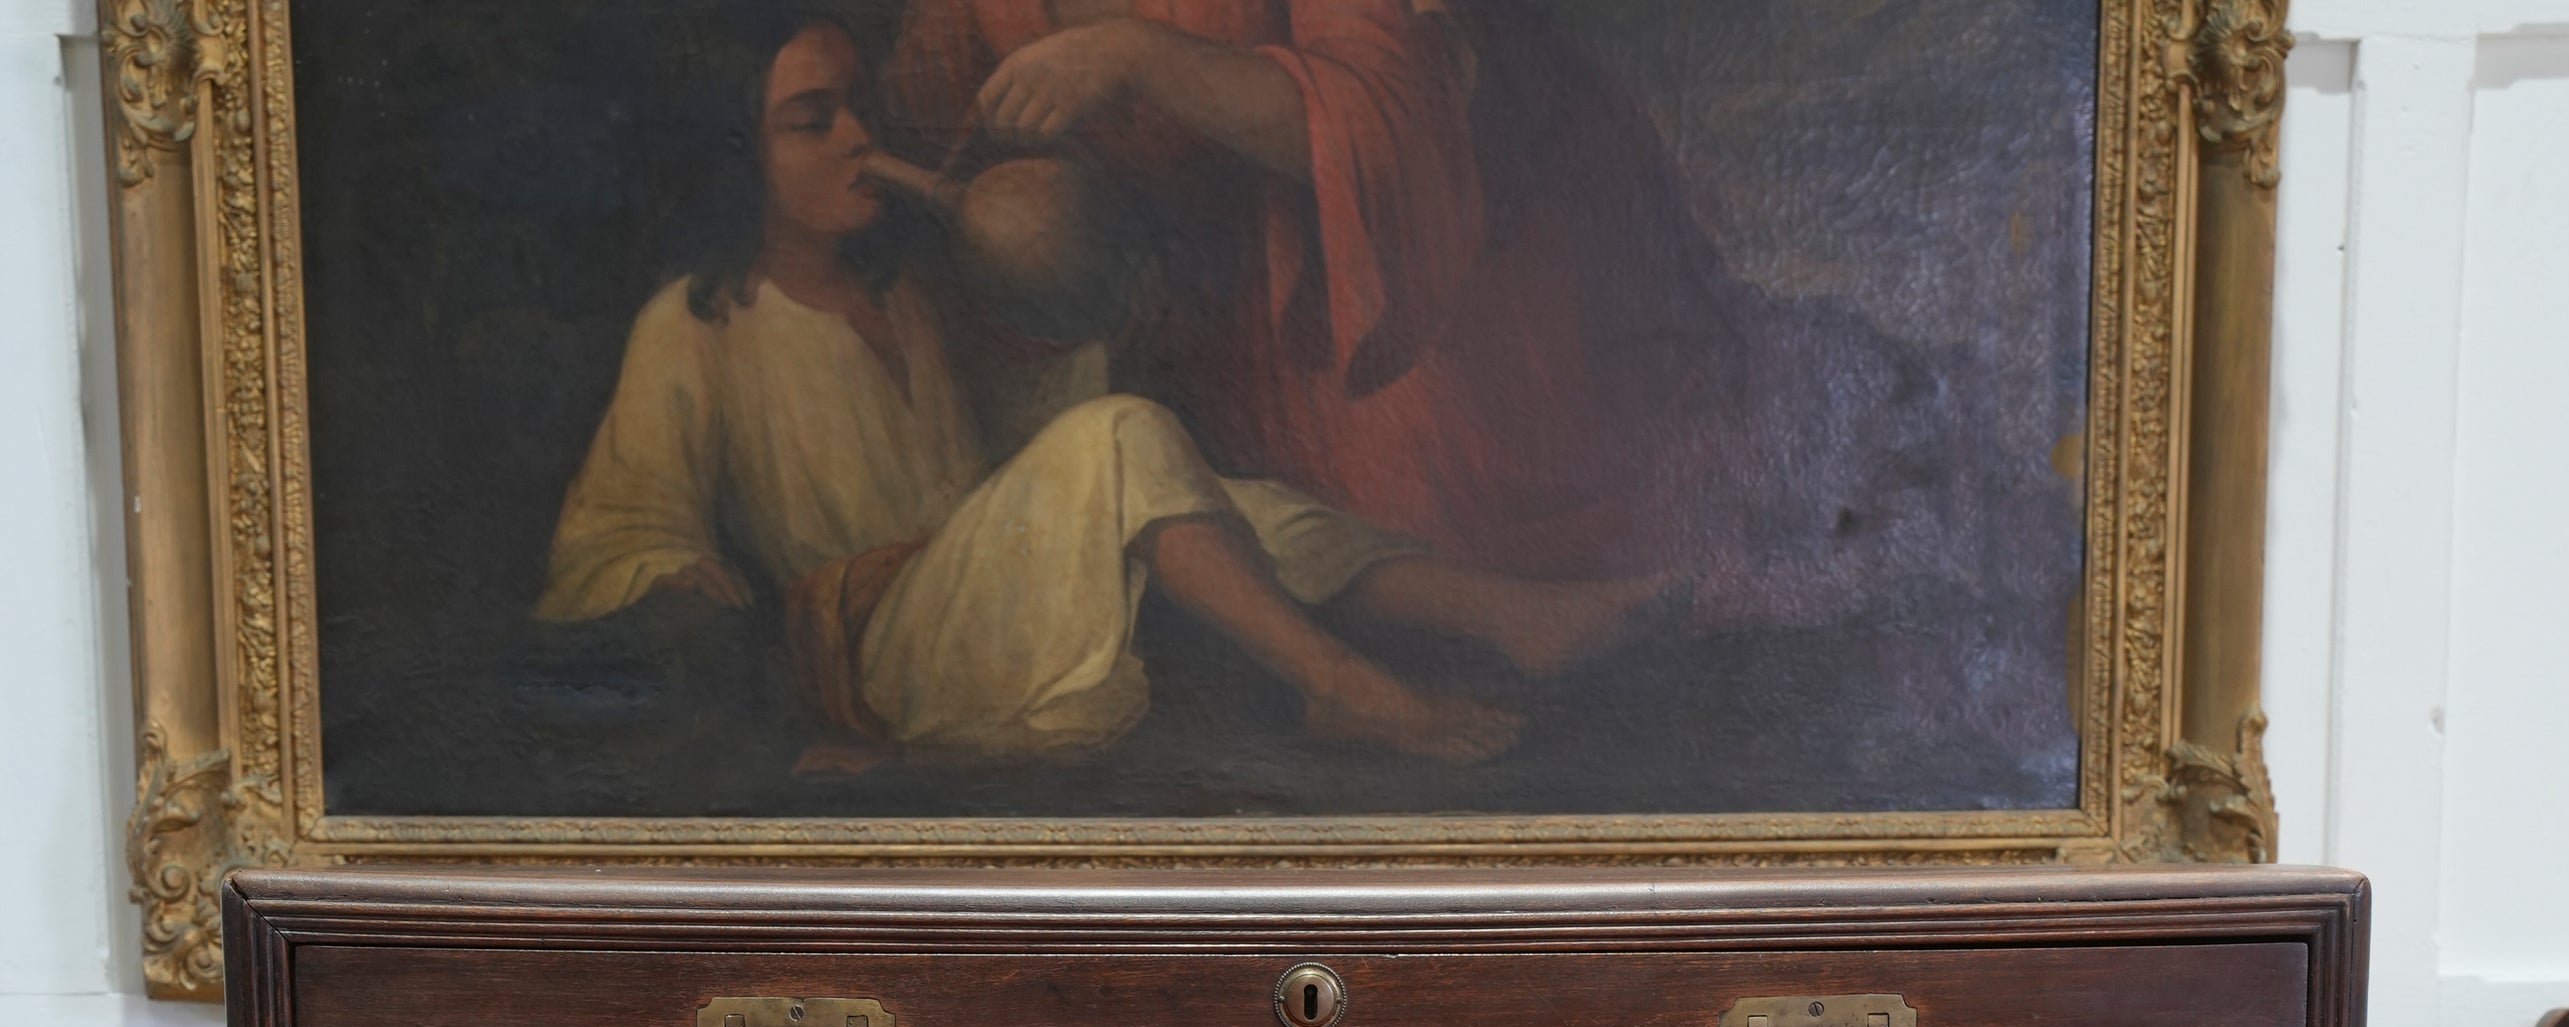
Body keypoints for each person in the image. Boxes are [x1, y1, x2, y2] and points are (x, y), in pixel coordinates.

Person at [536, 10, 1667, 768]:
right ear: (744, 158)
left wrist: (1076, 292)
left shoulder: (912, 302)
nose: (856, 138)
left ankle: (1512, 614)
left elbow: (1019, 448)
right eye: (809, 121)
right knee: (1128, 438)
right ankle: (1342, 686)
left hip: (964, 595)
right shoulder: (698, 324)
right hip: (876, 648)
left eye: (858, 110)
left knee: (1210, 489)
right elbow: (616, 534)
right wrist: (682, 588)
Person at [880, 0, 1751, 590]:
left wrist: (1138, 53)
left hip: (1409, 264)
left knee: (1440, 506)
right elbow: (944, 122)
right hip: (1189, 314)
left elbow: (1384, 119)